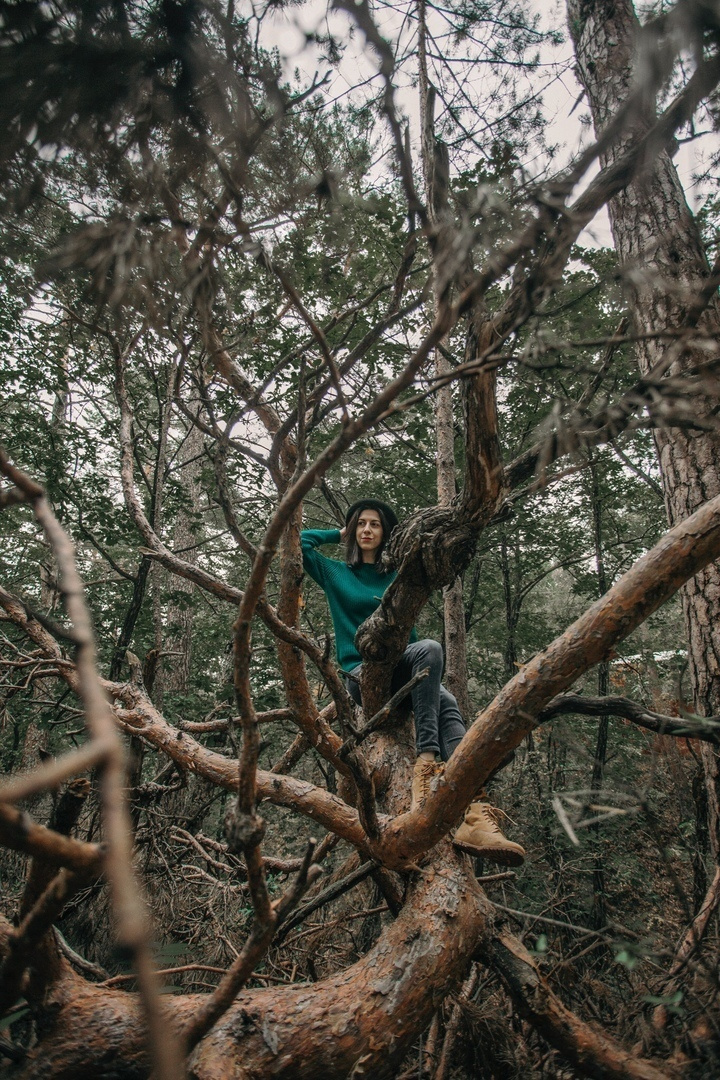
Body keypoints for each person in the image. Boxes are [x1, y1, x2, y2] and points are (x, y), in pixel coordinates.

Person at [301, 497, 525, 865]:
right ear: (353, 532)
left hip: (407, 672)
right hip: (362, 674)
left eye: (375, 524)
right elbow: (298, 543)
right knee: (431, 651)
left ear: (387, 533)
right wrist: (338, 530)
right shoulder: (335, 573)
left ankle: (475, 814)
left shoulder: (398, 573)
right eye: (361, 524)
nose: (368, 530)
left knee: (447, 699)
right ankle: (426, 764)